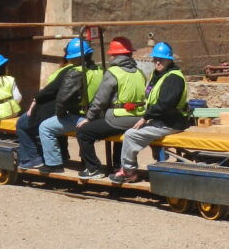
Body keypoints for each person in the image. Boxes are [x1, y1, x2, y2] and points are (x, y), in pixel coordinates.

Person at [109, 41, 190, 184]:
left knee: (130, 135)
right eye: (155, 59)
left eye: (161, 59)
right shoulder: (158, 74)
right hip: (162, 119)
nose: (157, 62)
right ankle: (157, 162)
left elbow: (165, 103)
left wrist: (145, 118)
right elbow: (152, 98)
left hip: (171, 122)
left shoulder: (173, 78)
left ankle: (128, 172)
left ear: (169, 59)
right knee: (134, 130)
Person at [15, 38, 95, 170]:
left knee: (24, 125)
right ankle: (62, 155)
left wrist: (39, 103)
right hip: (91, 113)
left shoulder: (71, 71)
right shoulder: (95, 69)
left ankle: (33, 159)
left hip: (64, 112)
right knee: (53, 125)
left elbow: (53, 92)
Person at [75, 36, 147, 179]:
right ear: (129, 54)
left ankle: (94, 168)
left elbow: (100, 100)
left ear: (115, 55)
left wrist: (89, 118)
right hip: (138, 117)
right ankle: (118, 166)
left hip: (119, 116)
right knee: (120, 135)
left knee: (84, 132)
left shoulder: (113, 72)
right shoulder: (140, 72)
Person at [35, 38, 103, 174]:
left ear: (78, 57)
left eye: (72, 58)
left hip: (79, 116)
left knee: (45, 127)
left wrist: (60, 114)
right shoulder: (99, 70)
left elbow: (62, 99)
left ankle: (53, 164)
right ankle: (82, 160)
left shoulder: (75, 72)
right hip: (97, 116)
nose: (70, 60)